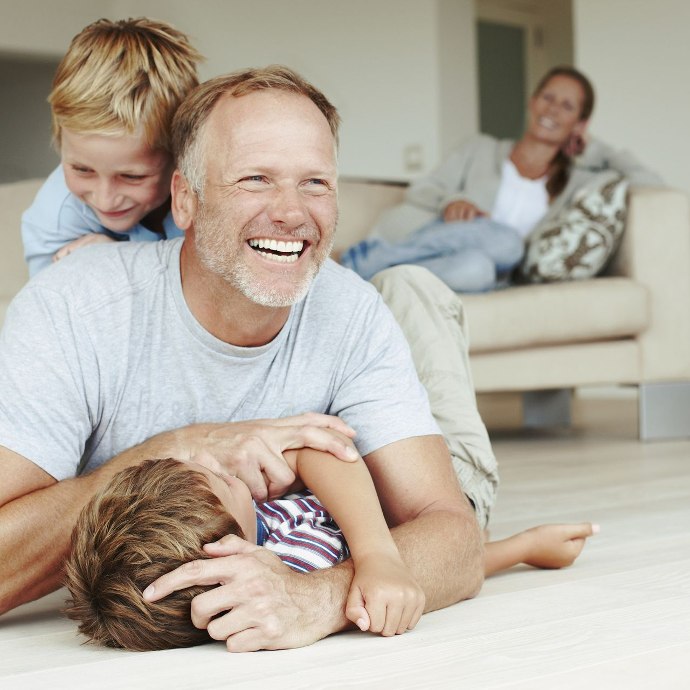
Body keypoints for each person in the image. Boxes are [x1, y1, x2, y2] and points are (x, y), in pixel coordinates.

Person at [0, 66, 491, 652]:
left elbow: (458, 538)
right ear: (184, 198)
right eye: (255, 179)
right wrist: (174, 449)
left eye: (315, 183)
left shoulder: (351, 312)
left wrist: (315, 597)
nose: (290, 212)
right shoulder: (76, 307)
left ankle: (415, 294)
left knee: (412, 293)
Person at [65, 455, 596, 651]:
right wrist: (524, 547)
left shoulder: (261, 525)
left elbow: (313, 450)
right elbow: (425, 574)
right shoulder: (301, 560)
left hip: (395, 502)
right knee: (418, 291)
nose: (233, 468)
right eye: (226, 480)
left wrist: (376, 553)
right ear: (227, 549)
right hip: (443, 505)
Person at [339, 66, 663, 292]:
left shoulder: (577, 181)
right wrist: (454, 202)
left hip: (477, 269)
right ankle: (369, 260)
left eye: (567, 106)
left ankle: (372, 273)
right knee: (506, 242)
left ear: (579, 122)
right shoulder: (479, 148)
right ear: (532, 101)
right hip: (430, 239)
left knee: (481, 267)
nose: (552, 110)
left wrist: (594, 146)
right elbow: (423, 190)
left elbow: (652, 185)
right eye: (548, 98)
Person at [21, 17, 202, 276]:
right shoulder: (56, 216)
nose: (105, 199)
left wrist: (119, 257)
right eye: (82, 170)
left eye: (132, 176)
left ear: (181, 156)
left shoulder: (207, 196)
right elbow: (51, 307)